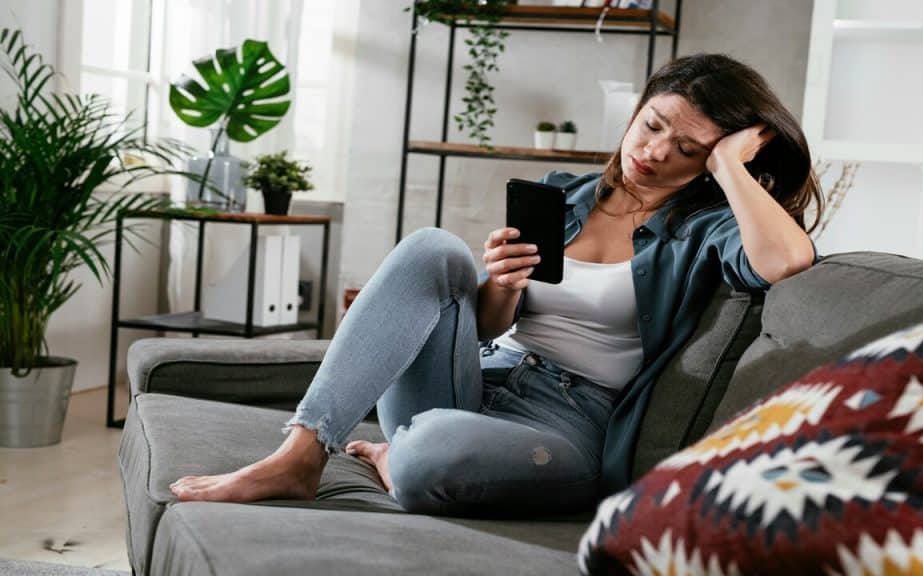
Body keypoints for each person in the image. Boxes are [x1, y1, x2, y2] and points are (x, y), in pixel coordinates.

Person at [169, 53, 821, 516]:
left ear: (712, 161)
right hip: (487, 379)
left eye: (688, 148)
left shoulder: (705, 226)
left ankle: (396, 455)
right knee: (433, 249)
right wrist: (504, 288)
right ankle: (301, 454)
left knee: (425, 458)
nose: (653, 152)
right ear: (638, 110)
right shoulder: (562, 198)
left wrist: (730, 163)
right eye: (653, 125)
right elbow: (483, 327)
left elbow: (787, 260)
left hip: (571, 429)